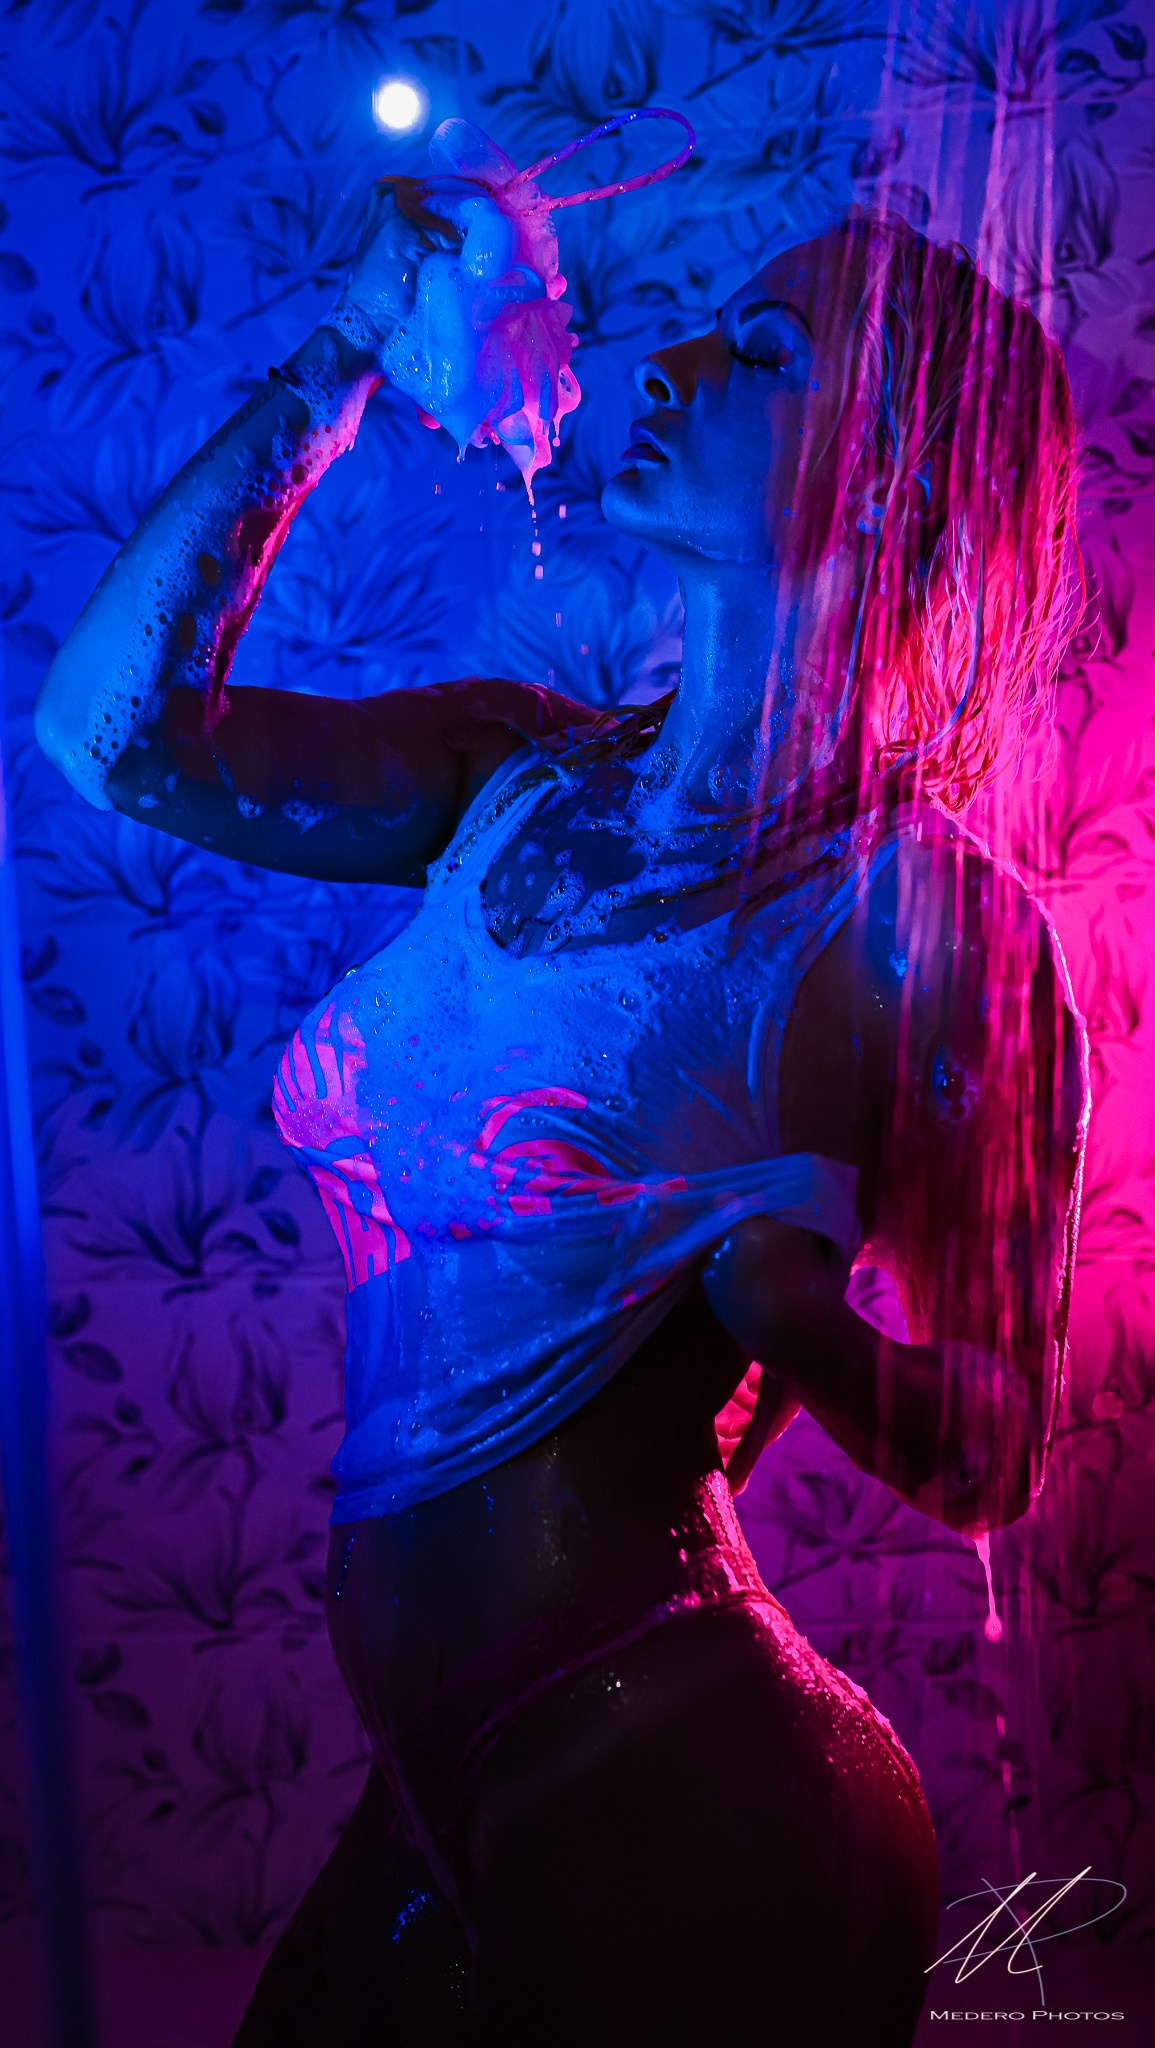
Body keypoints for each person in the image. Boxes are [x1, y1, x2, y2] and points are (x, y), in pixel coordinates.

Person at [34, 179, 1090, 2045]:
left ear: (891, 480)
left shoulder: (928, 931)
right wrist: (349, 349)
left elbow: (998, 1453)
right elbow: (109, 738)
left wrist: (797, 1328)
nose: (668, 361)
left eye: (763, 352)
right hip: (437, 1767)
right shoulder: (513, 774)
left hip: (688, 1772)